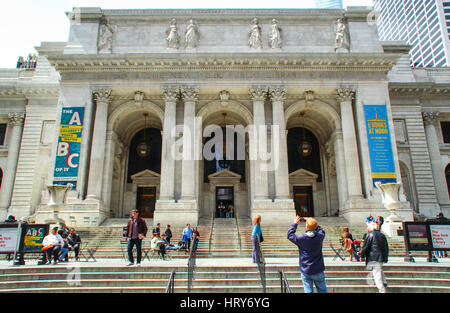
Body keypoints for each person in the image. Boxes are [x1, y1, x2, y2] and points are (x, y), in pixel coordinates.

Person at [287, 216, 327, 293]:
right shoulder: (320, 236)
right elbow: (321, 230)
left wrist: (295, 224)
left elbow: (290, 235)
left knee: (308, 291)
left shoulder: (301, 238)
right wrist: (311, 221)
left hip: (306, 269)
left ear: (307, 226)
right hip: (318, 268)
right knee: (322, 290)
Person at [360, 221, 389, 293]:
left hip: (373, 257)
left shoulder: (369, 235)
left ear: (370, 228)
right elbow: (386, 247)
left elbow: (366, 247)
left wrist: (362, 255)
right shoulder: (382, 235)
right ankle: (384, 282)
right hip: (381, 256)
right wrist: (385, 257)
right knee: (379, 269)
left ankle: (381, 290)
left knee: (376, 273)